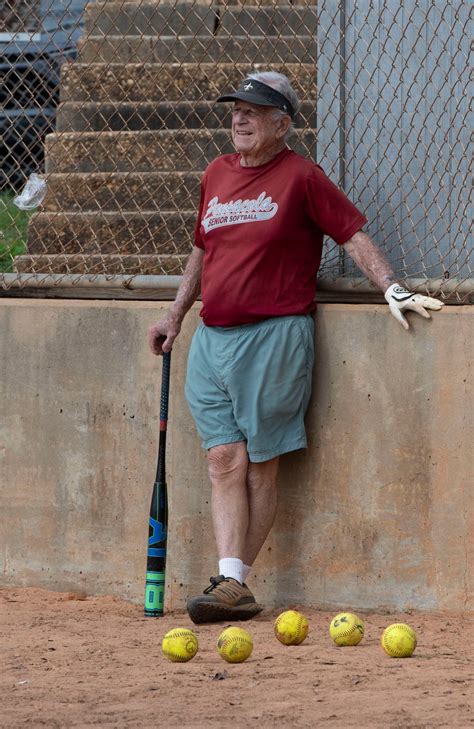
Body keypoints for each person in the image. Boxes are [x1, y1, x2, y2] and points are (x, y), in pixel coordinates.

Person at [147, 71, 443, 624]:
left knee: (260, 465)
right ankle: (230, 582)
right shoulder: (215, 174)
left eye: (253, 112)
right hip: (212, 338)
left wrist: (391, 288)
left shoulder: (301, 177)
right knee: (221, 459)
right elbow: (201, 251)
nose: (239, 119)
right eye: (235, 110)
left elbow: (350, 232)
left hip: (274, 335)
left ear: (282, 124)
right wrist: (175, 314)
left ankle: (233, 583)